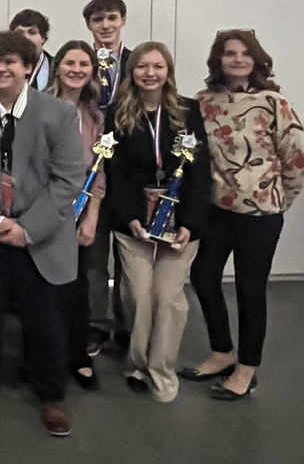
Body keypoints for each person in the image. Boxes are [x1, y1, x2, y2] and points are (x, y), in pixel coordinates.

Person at [0, 31, 83, 437]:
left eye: (9, 61)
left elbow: (68, 179)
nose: (0, 68)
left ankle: (52, 395)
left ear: (28, 67)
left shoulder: (59, 114)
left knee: (47, 323)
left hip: (42, 238)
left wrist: (28, 228)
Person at [182, 30, 304, 400]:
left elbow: (297, 158)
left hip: (260, 215)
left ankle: (246, 368)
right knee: (203, 276)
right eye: (229, 53)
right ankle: (222, 351)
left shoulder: (273, 102)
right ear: (218, 59)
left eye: (244, 53)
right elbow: (192, 153)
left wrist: (277, 200)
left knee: (249, 289)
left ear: (256, 59)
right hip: (216, 211)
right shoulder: (203, 102)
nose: (237, 59)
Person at [104, 41, 210, 403]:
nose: (150, 73)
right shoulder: (117, 112)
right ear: (131, 72)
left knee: (168, 298)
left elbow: (200, 171)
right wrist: (130, 218)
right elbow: (114, 171)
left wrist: (190, 222)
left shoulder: (188, 112)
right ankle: (136, 364)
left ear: (168, 72)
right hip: (135, 219)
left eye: (158, 66)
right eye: (142, 66)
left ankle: (161, 369)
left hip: (180, 219)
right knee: (138, 295)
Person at [45, 40, 106, 390]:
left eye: (84, 64)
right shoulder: (37, 106)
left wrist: (92, 214)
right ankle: (40, 356)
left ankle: (78, 356)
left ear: (92, 70)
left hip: (80, 209)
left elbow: (100, 169)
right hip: (43, 207)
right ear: (58, 67)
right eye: (69, 62)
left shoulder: (96, 115)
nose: (76, 69)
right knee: (42, 287)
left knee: (76, 286)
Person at [81, 0, 133, 356]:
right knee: (94, 258)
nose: (105, 25)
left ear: (123, 20)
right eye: (98, 19)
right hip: (91, 171)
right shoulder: (80, 62)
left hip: (128, 171)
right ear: (89, 25)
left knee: (129, 257)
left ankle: (127, 323)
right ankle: (96, 324)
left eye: (111, 18)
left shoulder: (138, 62)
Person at [9, 9, 52, 90]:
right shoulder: (0, 67)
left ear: (43, 37)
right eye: (20, 33)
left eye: (32, 32)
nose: (26, 37)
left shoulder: (56, 67)